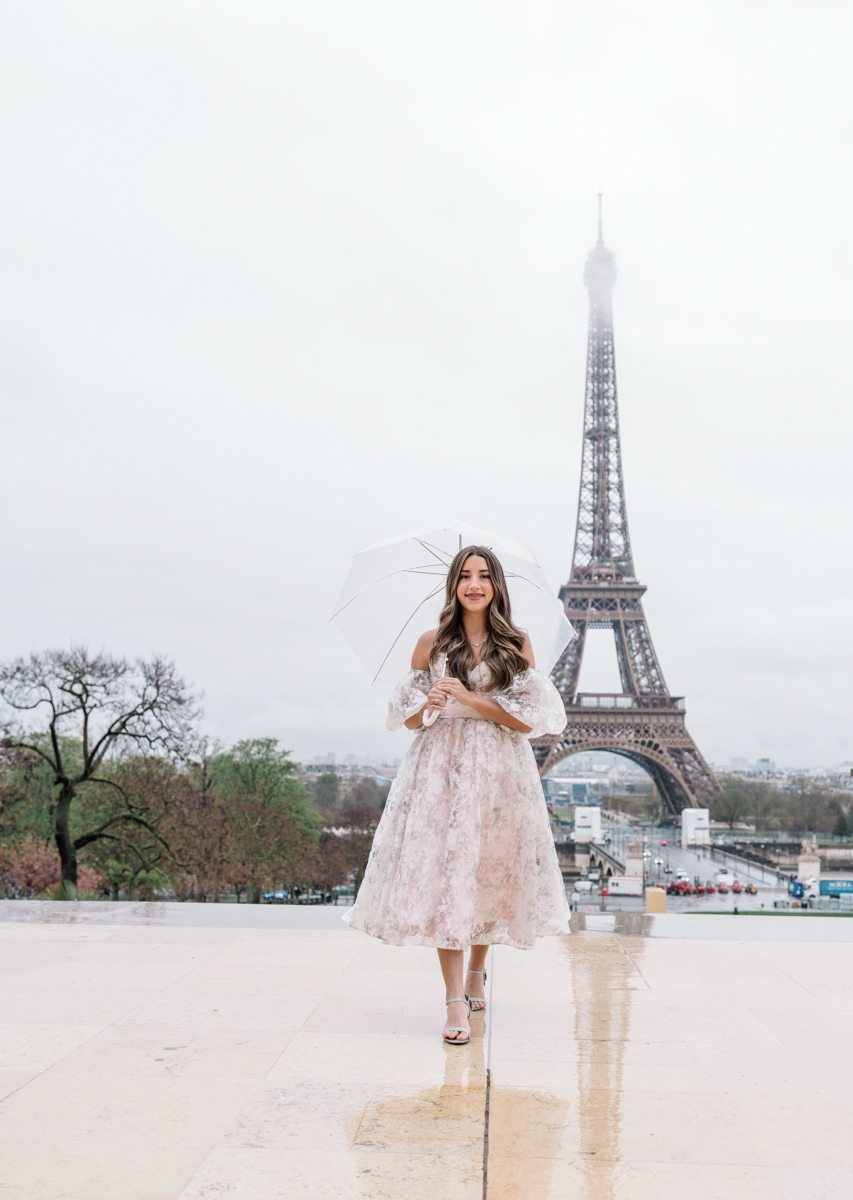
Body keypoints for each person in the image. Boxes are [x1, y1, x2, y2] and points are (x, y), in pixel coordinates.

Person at [344, 544, 570, 1045]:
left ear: (496, 586)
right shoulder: (430, 644)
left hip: (499, 770)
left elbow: (527, 720)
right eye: (465, 575)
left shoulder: (517, 645)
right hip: (441, 768)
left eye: (484, 576)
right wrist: (429, 701)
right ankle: (453, 1000)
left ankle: (476, 971)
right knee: (449, 873)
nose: (474, 584)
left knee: (489, 870)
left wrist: (471, 699)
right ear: (453, 584)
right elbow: (409, 722)